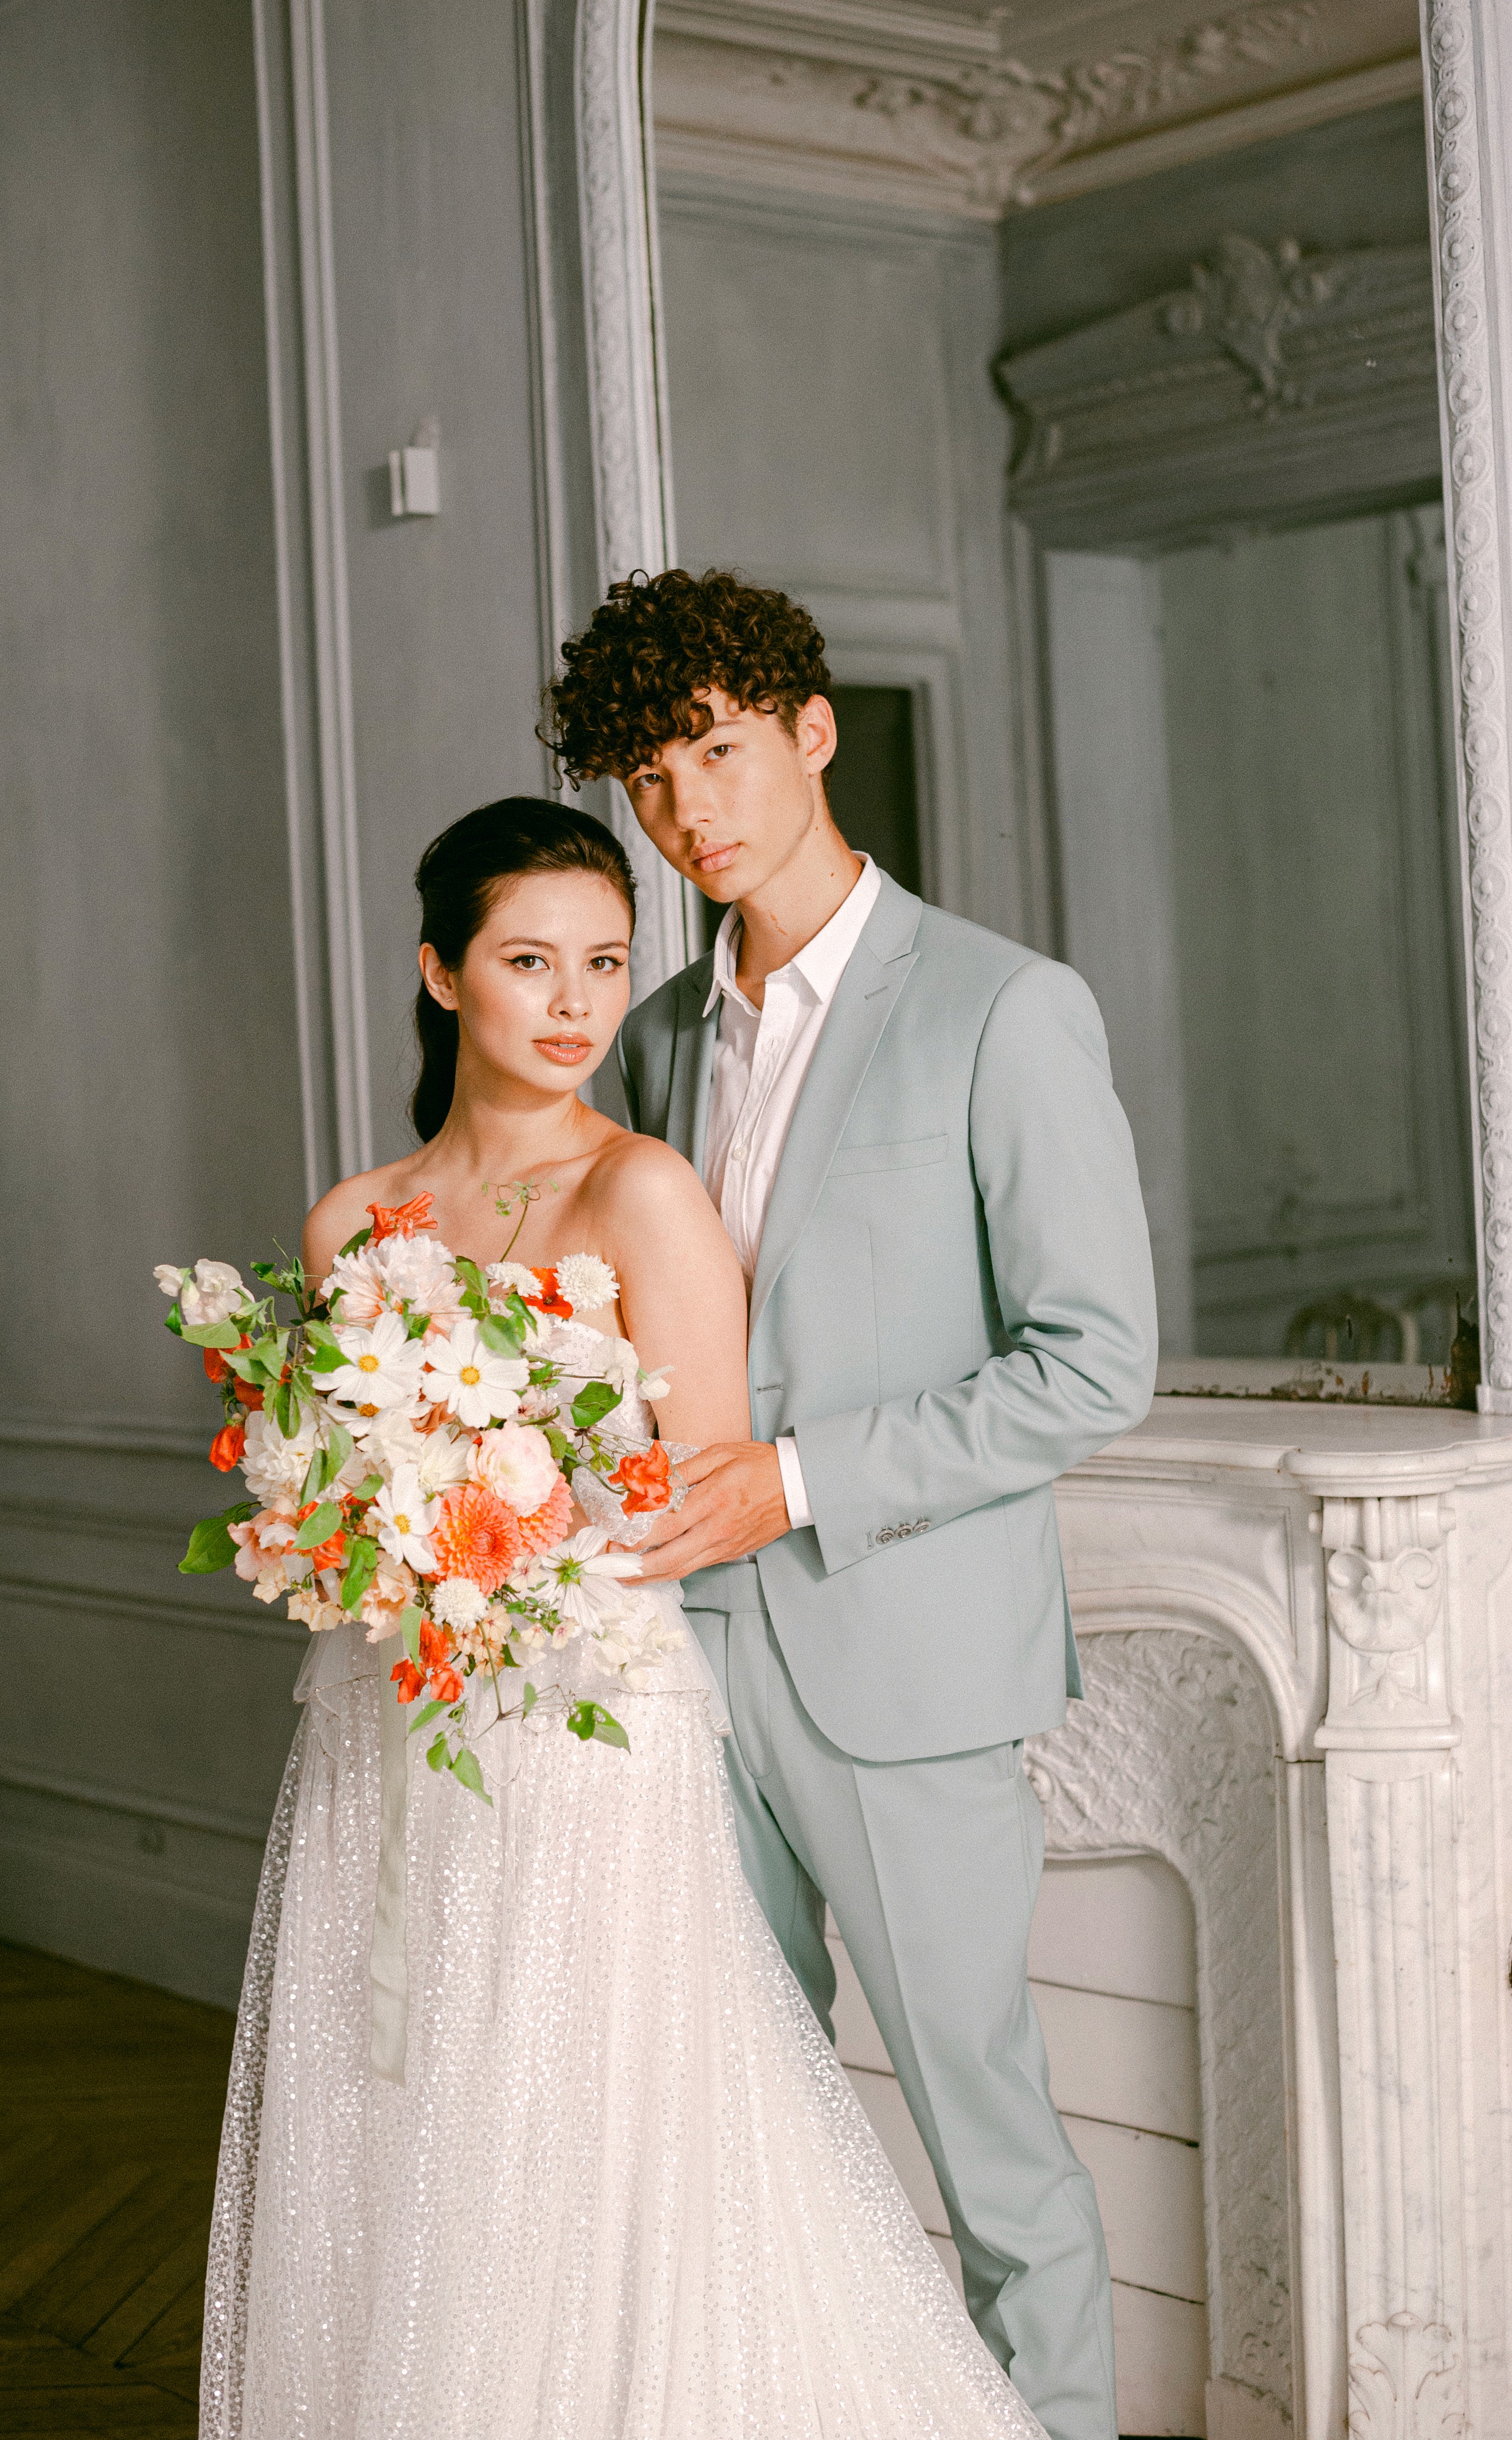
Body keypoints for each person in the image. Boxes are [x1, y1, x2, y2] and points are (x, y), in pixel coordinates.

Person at [200, 795, 1049, 2438]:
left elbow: (695, 1493)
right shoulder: (351, 1222)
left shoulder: (645, 1191)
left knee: (579, 2111)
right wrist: (358, 1535)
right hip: (390, 1721)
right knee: (402, 2103)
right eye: (531, 961)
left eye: (605, 961)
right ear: (441, 974)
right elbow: (315, 1491)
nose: (578, 1002)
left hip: (584, 1719)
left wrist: (491, 1543)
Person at [541, 569, 1160, 2440]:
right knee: (738, 2128)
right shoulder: (656, 1036)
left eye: (716, 752)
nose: (686, 810)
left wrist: (797, 1479)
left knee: (990, 2142)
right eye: (650, 780)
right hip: (679, 1664)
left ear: (812, 733)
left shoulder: (1003, 1008)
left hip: (900, 1667)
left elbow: (1093, 1363)